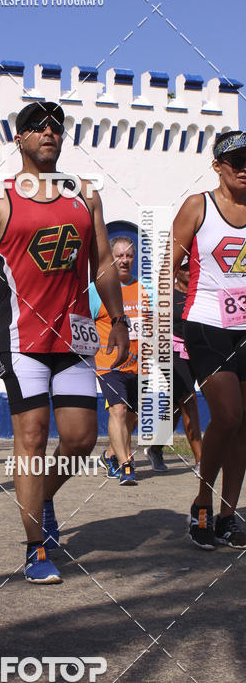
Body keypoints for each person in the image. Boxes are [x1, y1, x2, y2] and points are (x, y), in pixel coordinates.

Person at [0, 101, 128, 583]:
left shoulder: (85, 195)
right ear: (19, 139)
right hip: (20, 337)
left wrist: (121, 320)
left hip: (75, 336)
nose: (49, 132)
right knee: (30, 437)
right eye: (36, 126)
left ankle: (42, 495)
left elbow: (103, 261)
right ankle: (36, 549)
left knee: (80, 438)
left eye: (56, 126)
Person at [173, 130, 246, 550]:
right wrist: (157, 329)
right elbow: (170, 267)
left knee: (244, 424)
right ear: (217, 166)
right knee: (229, 415)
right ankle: (203, 501)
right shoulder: (198, 206)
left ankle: (228, 517)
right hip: (205, 326)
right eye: (235, 161)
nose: (243, 168)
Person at [89, 237, 146, 486]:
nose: (124, 260)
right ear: (111, 258)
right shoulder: (96, 289)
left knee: (131, 419)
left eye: (128, 256)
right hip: (107, 364)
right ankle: (126, 465)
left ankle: (110, 455)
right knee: (119, 410)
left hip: (137, 365)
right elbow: (82, 324)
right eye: (119, 256)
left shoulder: (143, 289)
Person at [145, 260, 203, 473]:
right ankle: (201, 461)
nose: (190, 271)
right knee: (189, 398)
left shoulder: (200, 292)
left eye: (194, 266)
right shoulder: (166, 295)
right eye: (186, 266)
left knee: (177, 403)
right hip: (169, 350)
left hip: (195, 350)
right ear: (177, 270)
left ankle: (155, 448)